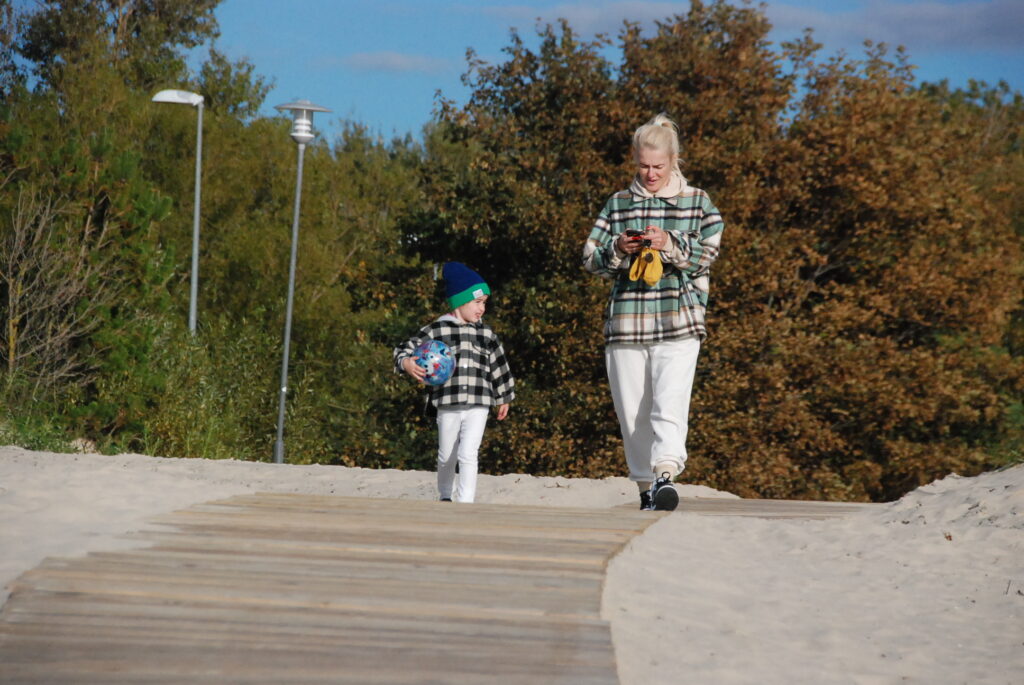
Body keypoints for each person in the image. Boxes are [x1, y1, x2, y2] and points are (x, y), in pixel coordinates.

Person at [582, 112, 724, 511]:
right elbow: (589, 257)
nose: (650, 173)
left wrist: (669, 242)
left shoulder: (697, 201)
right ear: (634, 160)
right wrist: (618, 249)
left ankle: (666, 473)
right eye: (643, 166)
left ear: (673, 160)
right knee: (633, 412)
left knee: (670, 400)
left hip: (679, 317)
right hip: (627, 320)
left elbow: (708, 253)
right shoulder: (618, 203)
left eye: (658, 166)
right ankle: (645, 487)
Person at [393, 262, 515, 503]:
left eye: (484, 303)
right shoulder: (436, 329)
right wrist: (406, 363)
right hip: (447, 401)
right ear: (461, 300)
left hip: (480, 401)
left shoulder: (486, 335)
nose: (482, 309)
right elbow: (403, 349)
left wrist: (504, 397)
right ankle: (445, 496)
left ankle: (465, 502)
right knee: (446, 455)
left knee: (468, 453)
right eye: (477, 302)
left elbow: (499, 366)